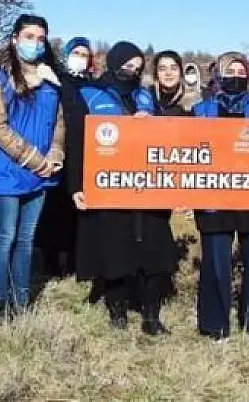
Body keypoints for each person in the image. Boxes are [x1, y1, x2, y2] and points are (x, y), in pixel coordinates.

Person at [71, 42, 177, 335]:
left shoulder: (146, 96)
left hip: (147, 187)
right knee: (115, 253)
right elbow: (77, 143)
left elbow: (166, 137)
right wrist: (76, 186)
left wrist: (151, 123)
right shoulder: (90, 94)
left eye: (137, 67)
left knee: (156, 253)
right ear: (114, 62)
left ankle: (151, 316)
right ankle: (117, 313)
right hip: (109, 188)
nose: (131, 71)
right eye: (127, 65)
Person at [192, 52, 249, 343]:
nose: (236, 75)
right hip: (214, 195)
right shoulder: (201, 110)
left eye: (241, 71)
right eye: (230, 70)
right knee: (216, 261)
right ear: (219, 74)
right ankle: (215, 326)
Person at [0, 14, 65, 320]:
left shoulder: (50, 81)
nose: (36, 43)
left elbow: (59, 122)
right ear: (14, 39)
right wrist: (31, 158)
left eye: (41, 38)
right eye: (29, 36)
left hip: (41, 174)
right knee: (5, 237)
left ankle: (22, 299)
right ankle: (0, 303)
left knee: (27, 240)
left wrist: (55, 152)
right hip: (10, 172)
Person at [35, 36, 94, 278]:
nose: (80, 58)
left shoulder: (92, 86)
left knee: (75, 213)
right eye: (76, 53)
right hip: (58, 149)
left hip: (84, 153)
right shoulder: (56, 80)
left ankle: (72, 262)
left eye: (84, 54)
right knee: (53, 210)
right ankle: (48, 263)